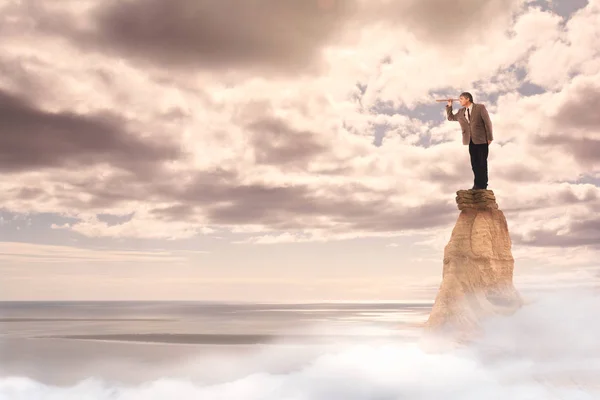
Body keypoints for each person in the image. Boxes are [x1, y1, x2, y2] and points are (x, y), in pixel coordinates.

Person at [446, 92, 493, 190]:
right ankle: (477, 185)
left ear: (468, 99)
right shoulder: (460, 112)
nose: (460, 100)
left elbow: (488, 122)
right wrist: (449, 106)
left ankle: (483, 185)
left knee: (482, 163)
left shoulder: (480, 108)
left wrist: (489, 137)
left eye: (461, 98)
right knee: (474, 164)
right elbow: (450, 118)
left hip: (481, 139)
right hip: (470, 141)